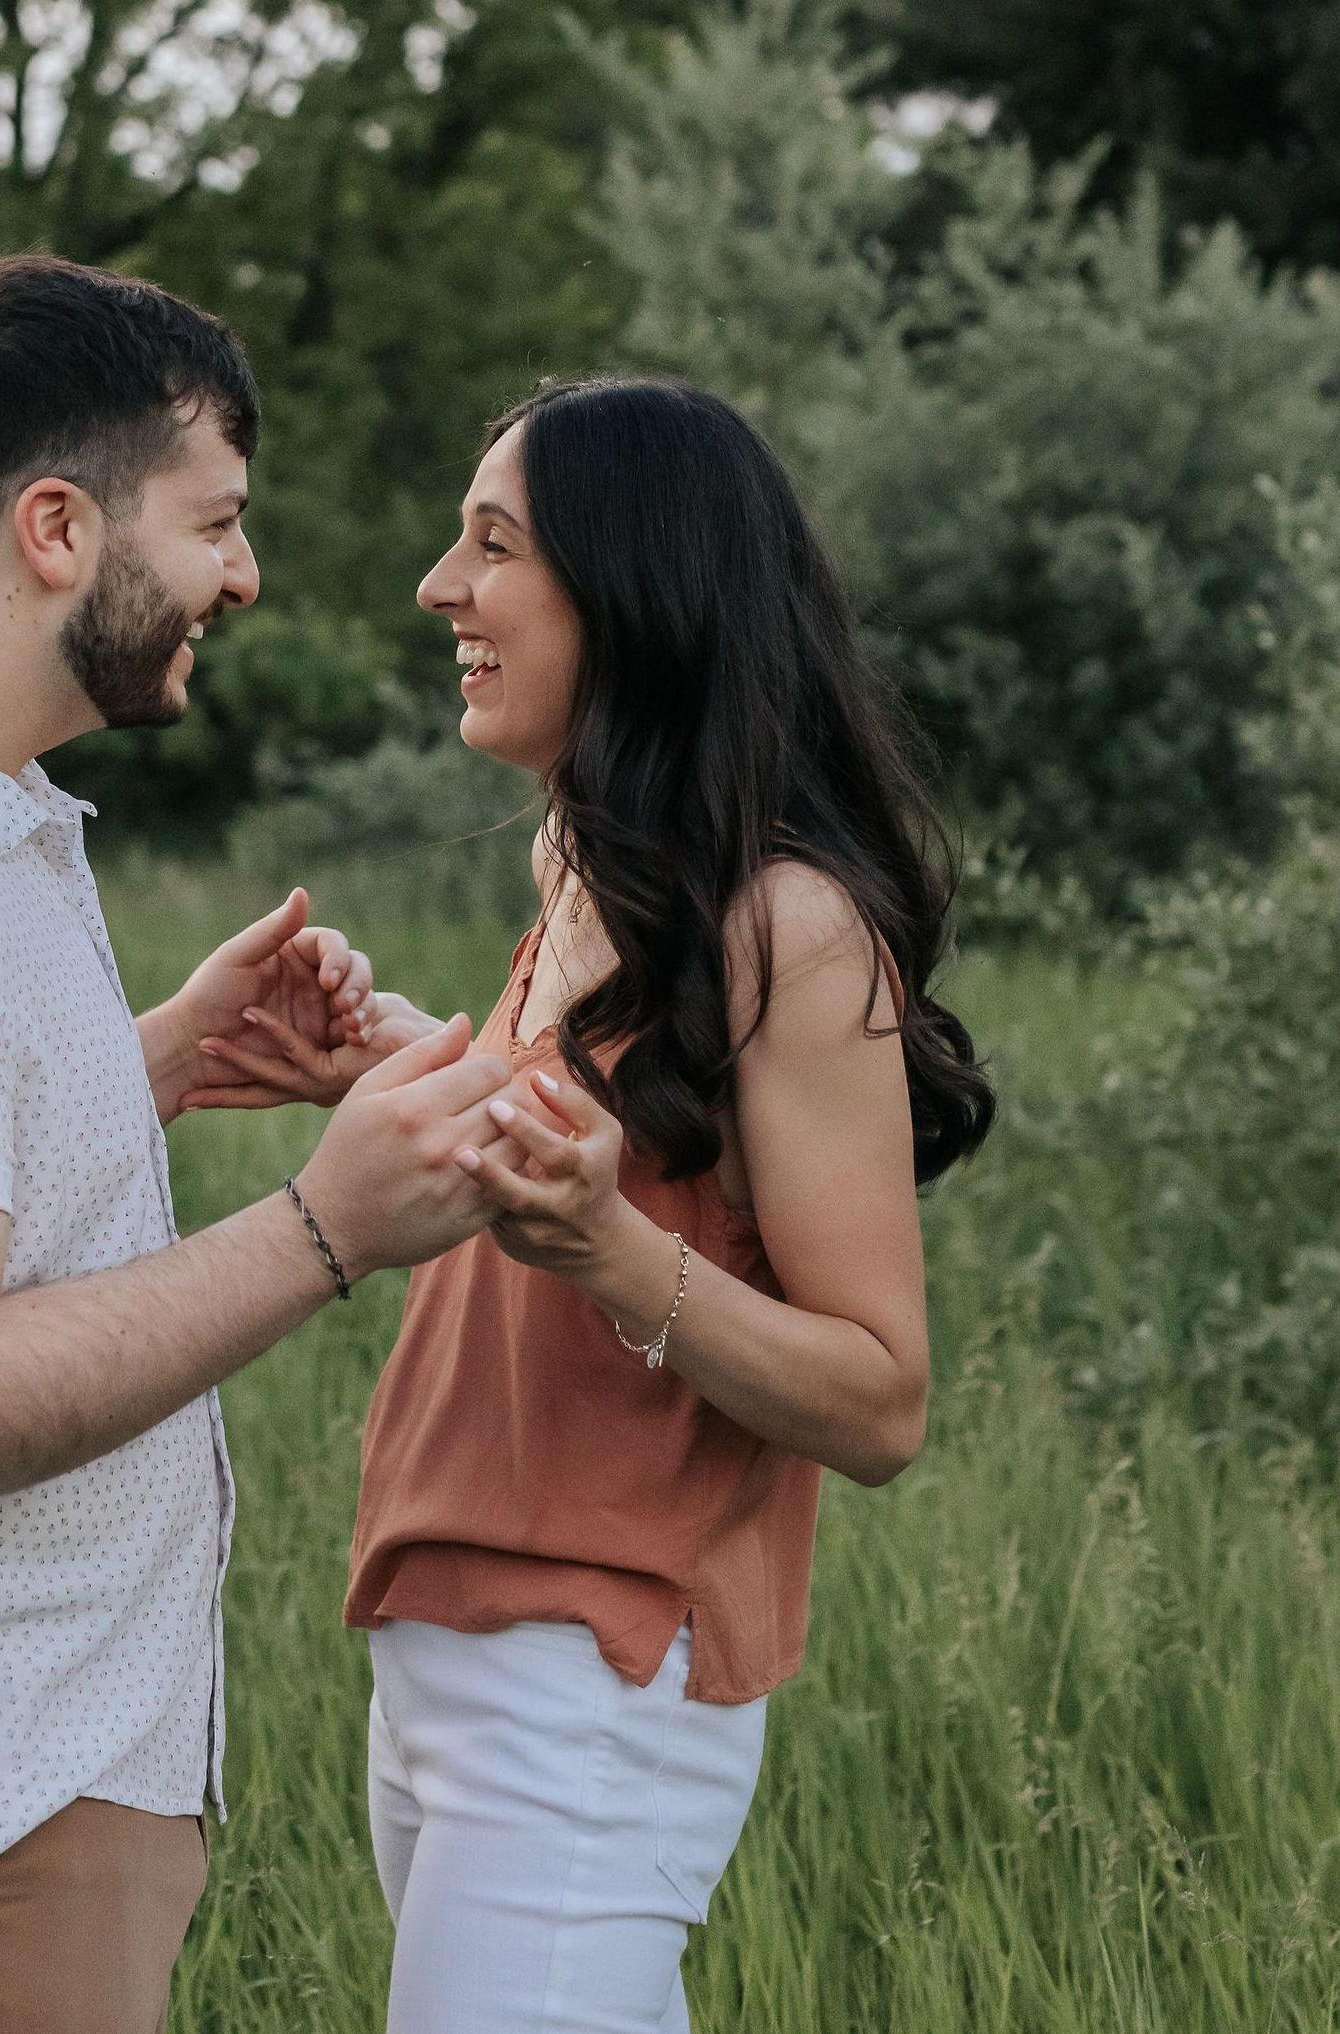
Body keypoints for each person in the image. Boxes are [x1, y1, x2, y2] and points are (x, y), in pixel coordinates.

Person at [0, 253, 539, 2034]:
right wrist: (325, 1225)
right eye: (213, 521)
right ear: (56, 527)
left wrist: (158, 1058)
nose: (244, 572)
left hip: (14, 1801)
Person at [179, 373, 997, 2032]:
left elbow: (881, 1397)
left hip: (593, 1673)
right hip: (444, 1644)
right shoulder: (587, 865)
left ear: (633, 589)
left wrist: (614, 1252)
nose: (440, 588)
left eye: (493, 546)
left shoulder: (791, 927)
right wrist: (407, 1063)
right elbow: (608, 1142)